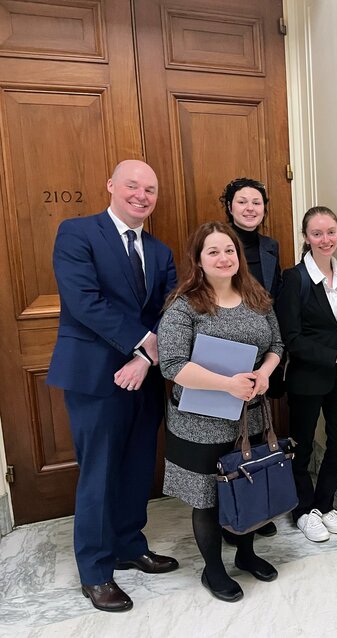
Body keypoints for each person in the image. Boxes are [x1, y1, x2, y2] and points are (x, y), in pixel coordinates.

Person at [46, 160, 178, 613]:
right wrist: (144, 342)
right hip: (95, 376)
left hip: (144, 377)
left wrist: (145, 358)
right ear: (111, 187)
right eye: (133, 186)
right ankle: (96, 572)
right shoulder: (78, 233)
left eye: (151, 189)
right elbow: (84, 301)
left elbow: (171, 308)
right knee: (99, 473)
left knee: (139, 466)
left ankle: (128, 545)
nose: (142, 195)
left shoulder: (160, 251)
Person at [158, 221, 283, 602]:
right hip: (200, 423)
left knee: (246, 487)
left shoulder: (256, 295)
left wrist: (264, 372)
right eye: (213, 251)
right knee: (208, 500)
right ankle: (213, 571)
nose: (224, 257)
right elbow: (172, 365)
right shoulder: (185, 306)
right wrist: (226, 384)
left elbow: (277, 342)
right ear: (198, 260)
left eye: (229, 250)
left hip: (249, 417)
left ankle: (246, 554)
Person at [280, 206, 337, 542]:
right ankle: (302, 510)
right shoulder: (295, 279)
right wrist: (335, 354)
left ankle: (324, 504)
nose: (325, 239)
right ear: (306, 237)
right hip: (307, 377)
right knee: (301, 447)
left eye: (331, 232)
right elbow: (292, 339)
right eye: (317, 233)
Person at [219, 177, 281, 539]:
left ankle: (256, 505)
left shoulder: (271, 247)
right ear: (230, 206)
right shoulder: (219, 243)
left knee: (258, 432)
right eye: (242, 202)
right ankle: (231, 511)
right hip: (226, 348)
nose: (249, 209)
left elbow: (271, 298)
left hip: (264, 348)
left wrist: (275, 355)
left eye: (256, 202)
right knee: (229, 435)